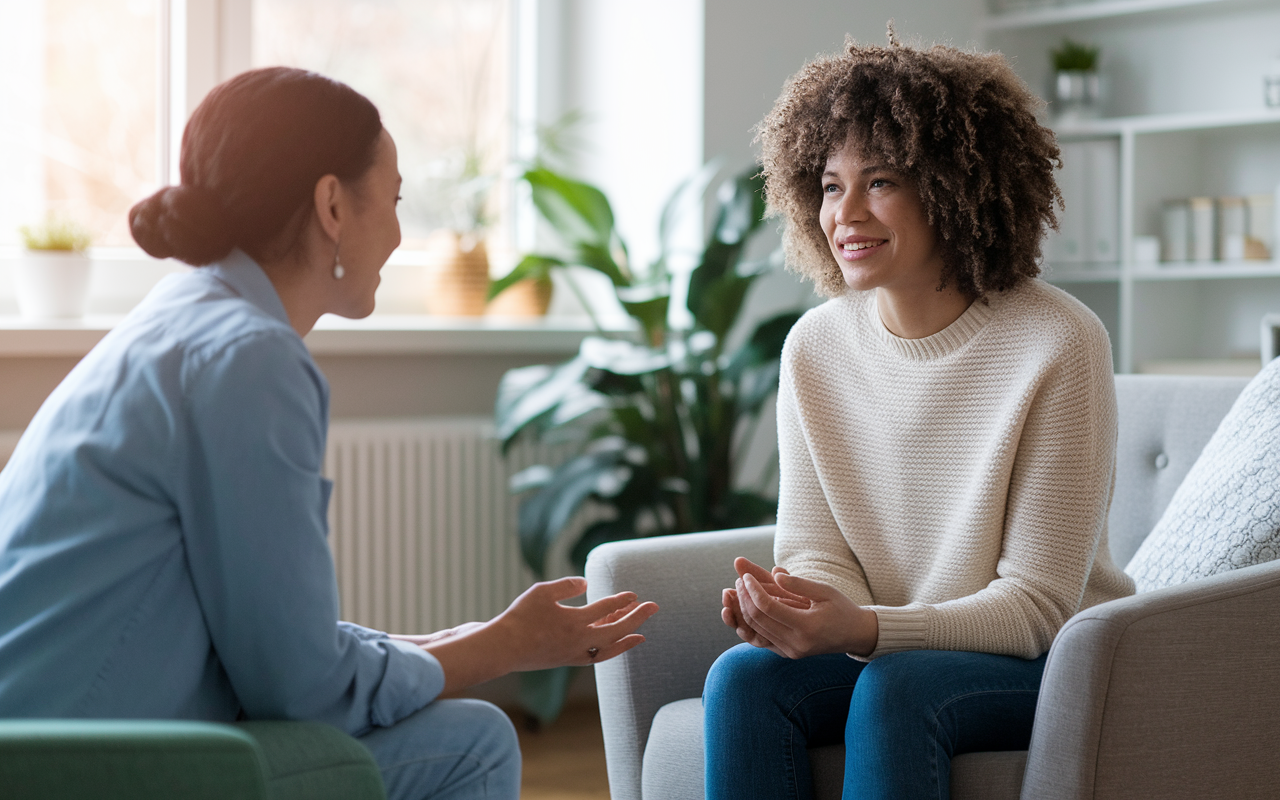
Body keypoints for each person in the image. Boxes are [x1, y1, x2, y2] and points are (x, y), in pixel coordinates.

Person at [0, 67, 657, 800]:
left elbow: (283, 651)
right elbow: (304, 690)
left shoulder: (186, 316)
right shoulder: (250, 357)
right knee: (472, 742)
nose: (402, 231)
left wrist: (488, 638)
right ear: (333, 205)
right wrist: (504, 648)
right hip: (69, 769)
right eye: (397, 198)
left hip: (38, 734)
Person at [702, 31, 1135, 800]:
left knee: (897, 687)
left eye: (881, 182)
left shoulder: (1059, 341)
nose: (847, 214)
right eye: (831, 186)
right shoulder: (815, 345)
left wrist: (865, 629)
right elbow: (816, 547)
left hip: (1049, 660)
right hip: (893, 648)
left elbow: (1035, 609)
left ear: (953, 185)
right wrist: (799, 607)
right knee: (744, 677)